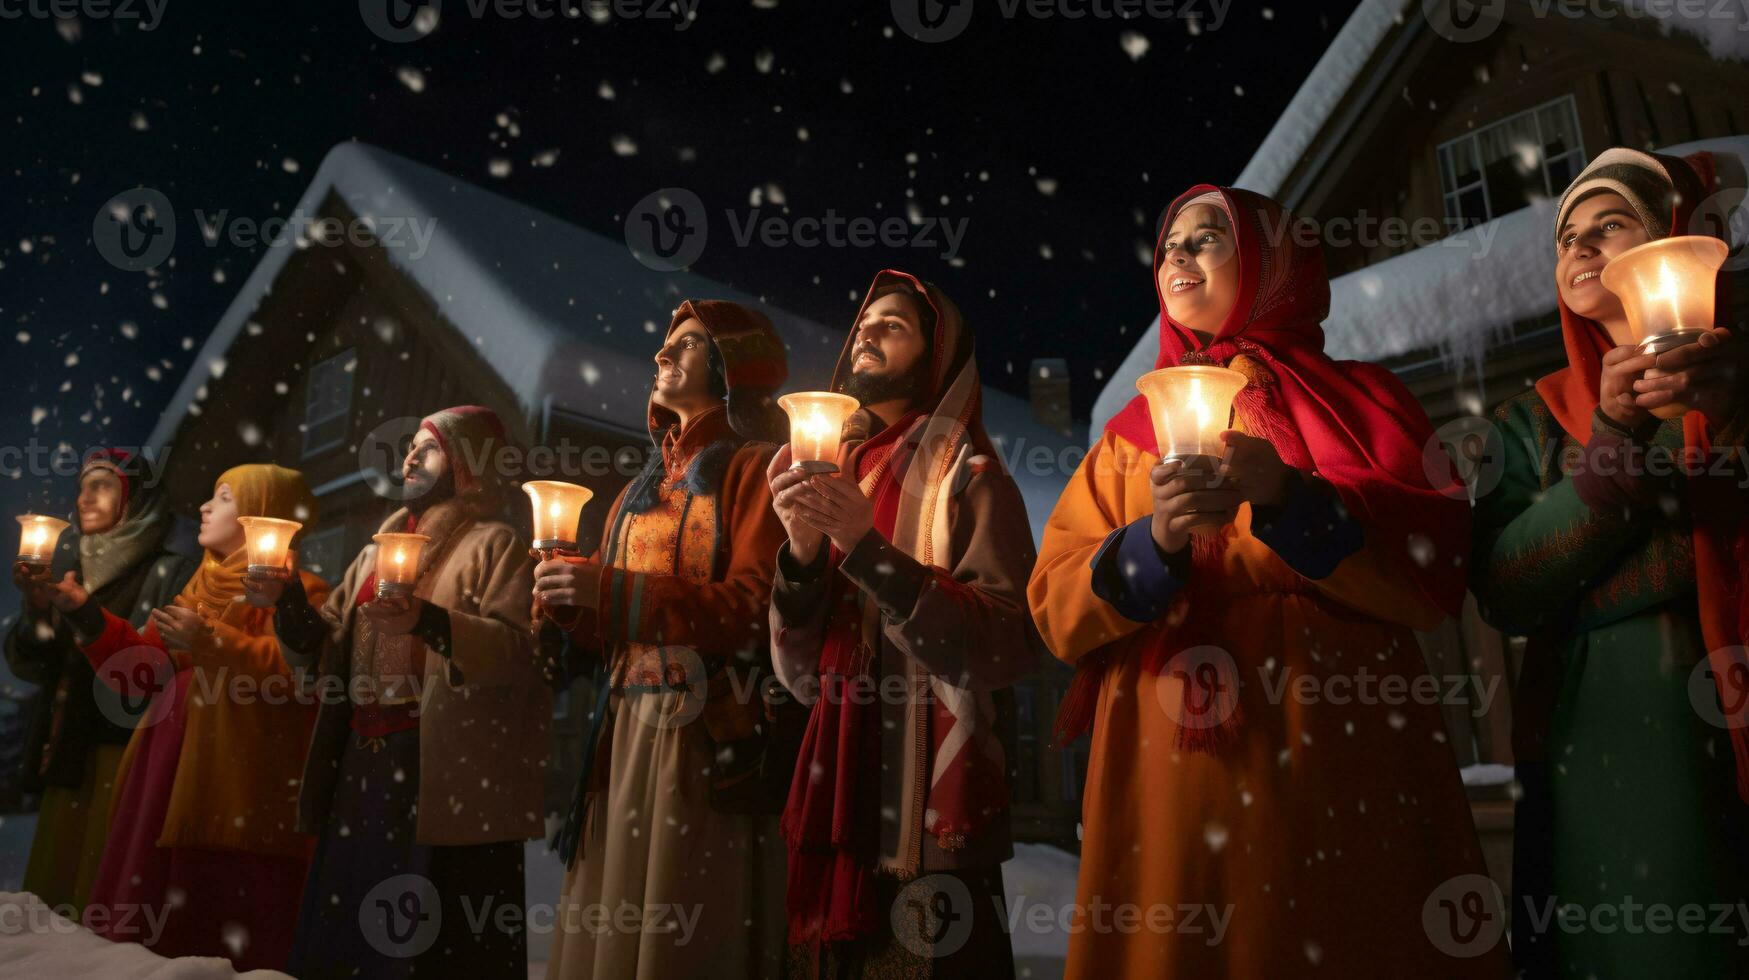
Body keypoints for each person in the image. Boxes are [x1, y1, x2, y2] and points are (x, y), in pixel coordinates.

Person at [1029, 186, 1508, 976]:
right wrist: (1156, 543)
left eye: (1208, 237)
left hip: (1330, 733)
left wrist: (1287, 496)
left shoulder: (1359, 401)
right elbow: (1055, 606)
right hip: (1169, 752)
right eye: (1169, 245)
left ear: (1269, 263)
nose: (1178, 254)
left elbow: (1427, 571)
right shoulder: (1130, 434)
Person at [1470, 147, 1749, 976]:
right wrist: (1615, 446)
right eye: (1565, 236)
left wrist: (1727, 419)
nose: (1579, 248)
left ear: (1677, 238)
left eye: (1610, 223)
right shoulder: (1529, 423)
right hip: (1618, 741)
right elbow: (1504, 588)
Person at [769, 270, 1042, 979]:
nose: (865, 333)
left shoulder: (972, 478)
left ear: (938, 354)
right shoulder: (834, 476)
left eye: (892, 326)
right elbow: (800, 672)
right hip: (840, 782)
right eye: (863, 323)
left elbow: (1004, 643)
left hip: (923, 805)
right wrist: (800, 553)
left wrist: (866, 551)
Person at [532, 300, 791, 980]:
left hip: (703, 735)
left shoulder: (755, 469)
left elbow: (749, 609)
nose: (661, 355)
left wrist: (608, 592)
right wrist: (571, 606)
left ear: (731, 365)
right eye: (665, 343)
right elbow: (608, 629)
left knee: (681, 915)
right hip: (620, 733)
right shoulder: (633, 494)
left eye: (685, 343)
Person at [260, 405, 547, 978]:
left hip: (442, 766)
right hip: (363, 765)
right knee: (350, 912)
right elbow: (332, 645)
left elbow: (521, 653)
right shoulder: (374, 552)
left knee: (432, 931)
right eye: (410, 446)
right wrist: (289, 601)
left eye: (429, 447)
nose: (410, 456)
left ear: (467, 464)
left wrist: (430, 622)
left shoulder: (495, 545)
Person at [40, 463, 326, 969]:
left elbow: (298, 676)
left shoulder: (301, 595)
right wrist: (87, 615)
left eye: (223, 497)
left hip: (234, 786)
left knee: (214, 921)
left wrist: (210, 641)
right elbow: (143, 675)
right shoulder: (196, 590)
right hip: (166, 777)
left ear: (264, 516)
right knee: (150, 919)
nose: (204, 507)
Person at [7, 449, 197, 913]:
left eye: (102, 486)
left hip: (120, 756)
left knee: (98, 894)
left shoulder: (168, 571)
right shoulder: (72, 570)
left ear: (135, 500)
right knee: (51, 895)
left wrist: (83, 614)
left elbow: (146, 671)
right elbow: (33, 664)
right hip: (66, 754)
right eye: (81, 487)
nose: (84, 498)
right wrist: (36, 609)